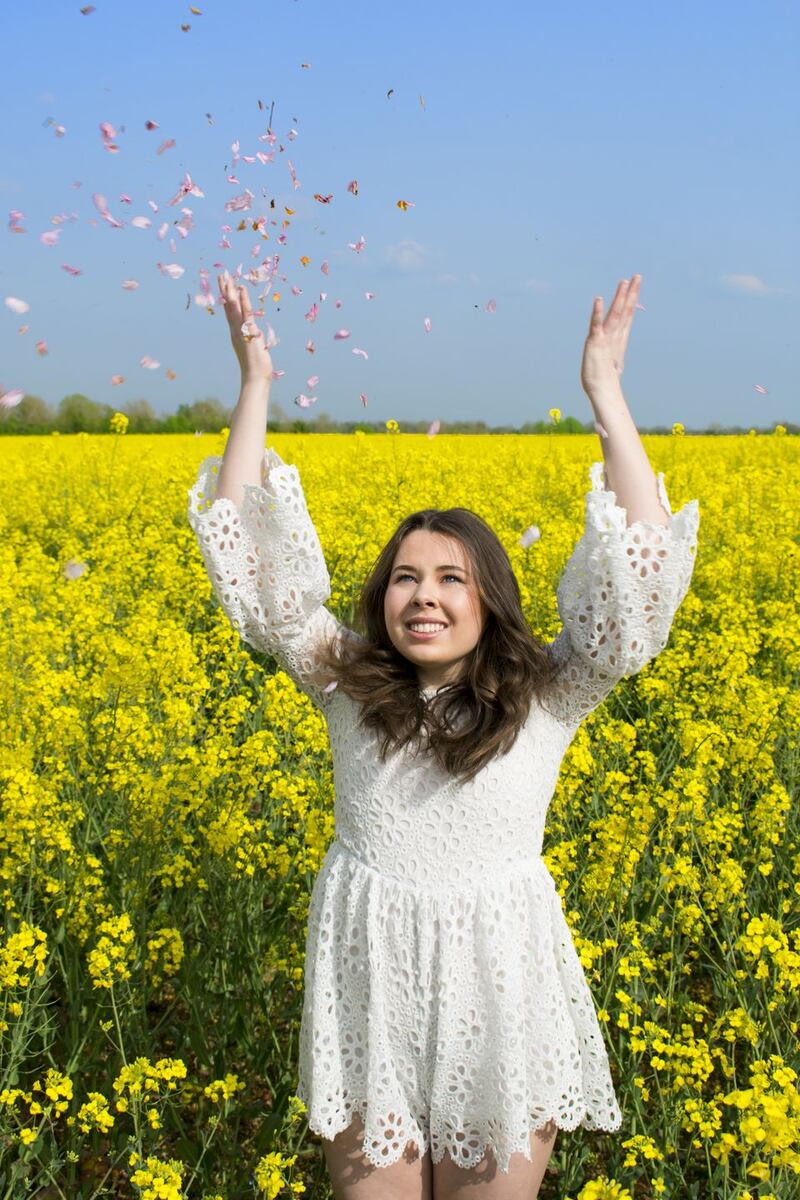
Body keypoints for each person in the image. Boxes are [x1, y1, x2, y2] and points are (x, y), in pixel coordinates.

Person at [187, 273, 700, 1199]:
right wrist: (254, 386)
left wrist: (608, 398)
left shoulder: (549, 694)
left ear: (488, 598)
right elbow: (253, 569)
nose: (424, 594)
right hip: (370, 990)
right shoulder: (345, 682)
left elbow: (641, 579)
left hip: (503, 993)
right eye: (405, 577)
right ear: (381, 599)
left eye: (451, 579)